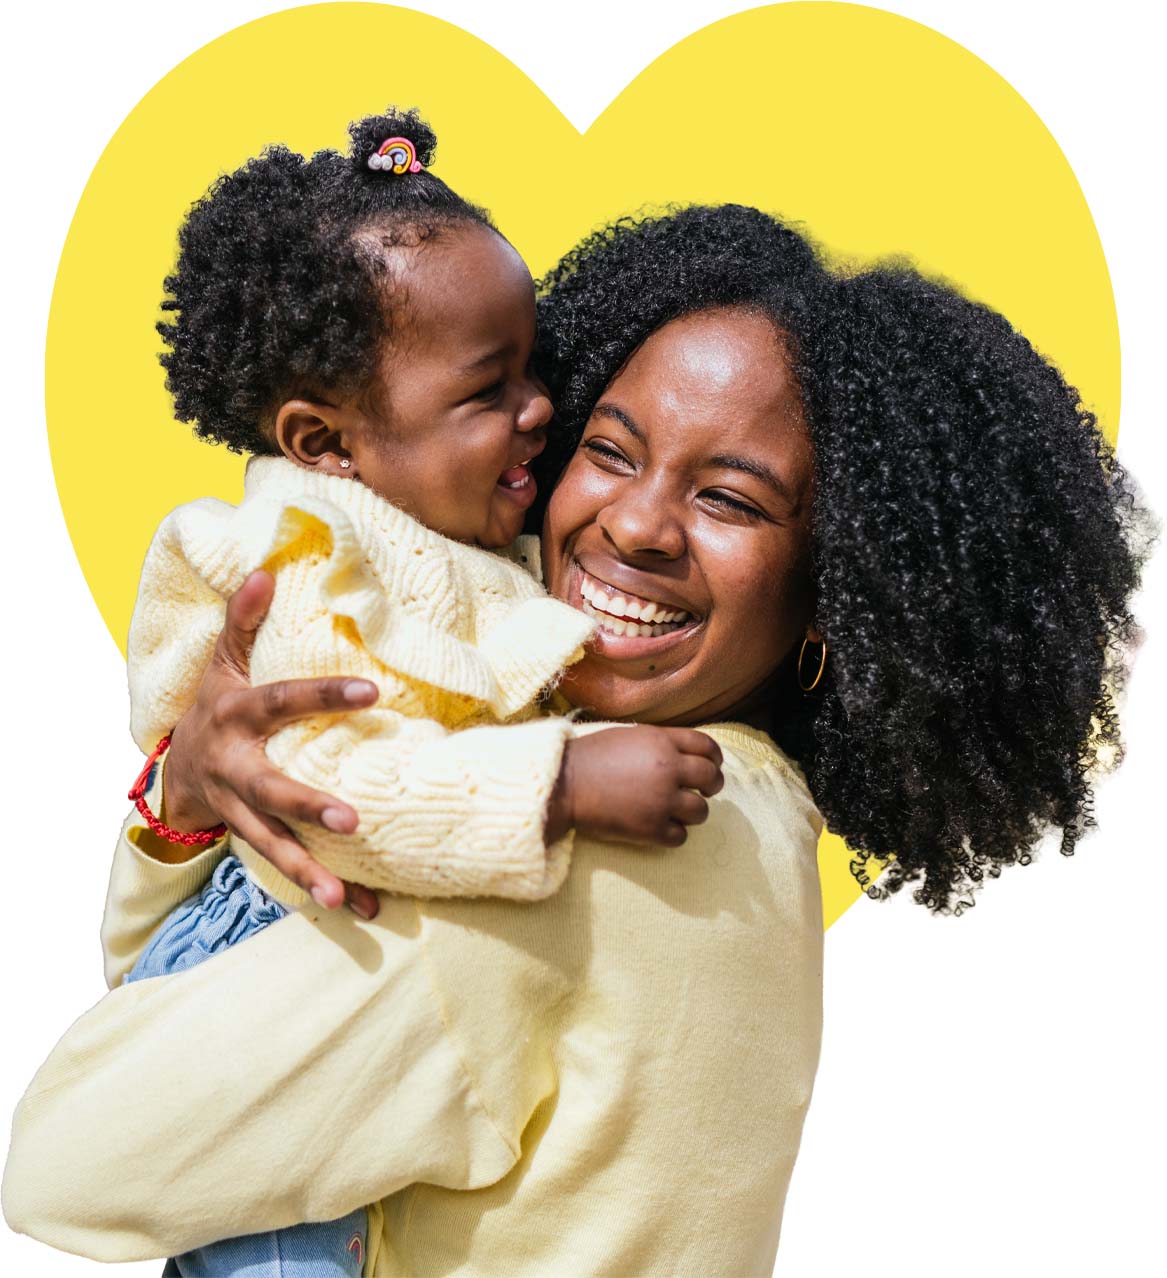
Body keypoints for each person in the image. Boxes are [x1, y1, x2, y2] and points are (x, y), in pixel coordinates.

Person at [3, 205, 1146, 1275]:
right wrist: (191, 798)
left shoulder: (593, 833)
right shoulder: (736, 811)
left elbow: (70, 1156)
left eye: (733, 501)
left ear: (839, 594)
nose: (638, 526)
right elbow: (192, 972)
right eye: (611, 449)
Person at [109, 105, 727, 1276]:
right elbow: (324, 787)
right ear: (326, 441)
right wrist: (556, 784)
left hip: (342, 975)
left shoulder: (452, 537)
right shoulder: (307, 562)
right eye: (488, 388)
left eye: (536, 367)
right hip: (266, 984)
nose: (541, 407)